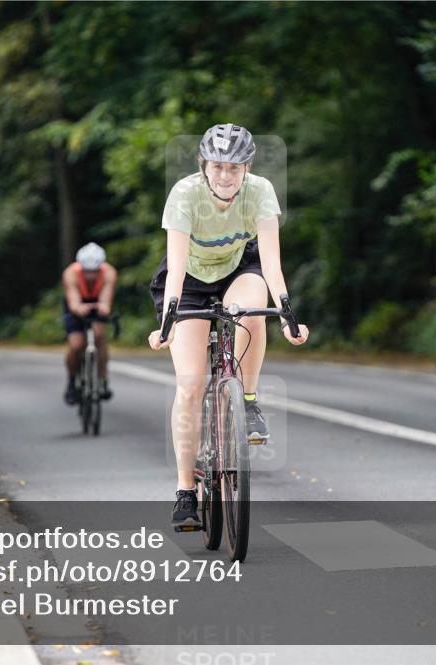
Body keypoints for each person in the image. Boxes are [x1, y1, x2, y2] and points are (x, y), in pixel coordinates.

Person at [147, 123, 310, 529]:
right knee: (189, 385)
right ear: (204, 165)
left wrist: (287, 314)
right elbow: (176, 267)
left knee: (252, 311)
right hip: (188, 281)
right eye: (218, 166)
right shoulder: (185, 194)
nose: (225, 175)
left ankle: (248, 401)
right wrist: (167, 322)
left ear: (246, 168)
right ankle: (185, 490)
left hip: (239, 269)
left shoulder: (260, 191)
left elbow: (271, 263)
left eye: (234, 168)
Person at [62, 242, 117, 405]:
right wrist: (78, 308)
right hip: (77, 303)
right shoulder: (70, 273)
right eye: (87, 271)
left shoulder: (109, 273)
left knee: (99, 337)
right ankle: (72, 382)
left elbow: (106, 299)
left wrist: (104, 307)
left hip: (98, 302)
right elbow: (73, 301)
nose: (91, 275)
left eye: (95, 271)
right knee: (76, 345)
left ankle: (103, 380)